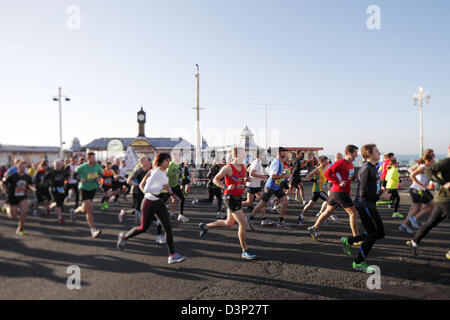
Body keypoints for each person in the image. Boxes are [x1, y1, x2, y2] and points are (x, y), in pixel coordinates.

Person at [117, 153, 186, 264]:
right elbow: (147, 188)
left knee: (168, 228)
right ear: (161, 161)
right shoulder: (156, 172)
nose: (169, 162)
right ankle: (124, 236)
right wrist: (161, 188)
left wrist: (168, 189)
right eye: (167, 160)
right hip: (149, 202)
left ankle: (172, 255)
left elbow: (158, 187)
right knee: (143, 228)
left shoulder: (163, 173)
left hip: (159, 203)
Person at [199, 147, 257, 260]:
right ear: (235, 155)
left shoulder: (243, 167)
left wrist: (246, 180)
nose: (244, 157)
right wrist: (226, 186)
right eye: (241, 155)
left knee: (229, 223)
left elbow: (240, 180)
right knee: (243, 224)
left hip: (238, 197)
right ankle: (245, 251)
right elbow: (215, 180)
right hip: (230, 198)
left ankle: (205, 226)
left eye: (244, 155)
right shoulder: (228, 168)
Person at [340, 144, 385, 274]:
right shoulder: (366, 169)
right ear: (369, 154)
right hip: (364, 205)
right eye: (376, 151)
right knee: (373, 233)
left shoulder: (373, 167)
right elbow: (363, 194)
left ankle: (349, 241)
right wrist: (380, 195)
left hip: (370, 204)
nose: (379, 152)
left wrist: (381, 190)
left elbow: (372, 187)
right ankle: (358, 262)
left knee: (379, 233)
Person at [308, 145, 360, 241]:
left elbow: (347, 179)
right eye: (355, 153)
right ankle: (356, 239)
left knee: (328, 212)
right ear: (349, 153)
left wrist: (349, 191)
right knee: (354, 214)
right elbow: (327, 173)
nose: (357, 155)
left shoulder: (351, 164)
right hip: (339, 192)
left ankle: (313, 228)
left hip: (338, 192)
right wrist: (338, 182)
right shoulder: (340, 163)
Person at [406, 147, 450, 256]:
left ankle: (414, 242)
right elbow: (429, 171)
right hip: (445, 199)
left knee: (431, 222)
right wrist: (442, 183)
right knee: (421, 213)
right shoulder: (447, 161)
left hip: (442, 199)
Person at [250, 147, 292, 227]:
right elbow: (272, 176)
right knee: (262, 203)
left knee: (285, 202)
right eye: (284, 152)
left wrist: (284, 173)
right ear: (279, 153)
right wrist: (285, 175)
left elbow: (275, 173)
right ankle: (251, 218)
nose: (285, 154)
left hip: (277, 186)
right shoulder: (276, 162)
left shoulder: (279, 162)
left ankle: (280, 220)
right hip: (270, 186)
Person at [399, 152, 435, 233]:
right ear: (427, 161)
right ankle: (414, 219)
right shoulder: (423, 167)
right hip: (416, 190)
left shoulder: (426, 167)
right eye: (432, 161)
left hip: (418, 189)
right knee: (432, 205)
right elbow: (412, 175)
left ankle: (405, 225)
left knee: (416, 209)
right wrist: (420, 184)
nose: (433, 162)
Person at [70, 152, 103, 238]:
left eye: (94, 158)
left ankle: (74, 211)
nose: (94, 160)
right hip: (84, 188)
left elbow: (101, 174)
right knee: (90, 209)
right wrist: (80, 179)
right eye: (92, 158)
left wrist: (99, 178)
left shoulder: (97, 166)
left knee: (84, 209)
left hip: (93, 188)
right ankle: (93, 229)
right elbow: (74, 175)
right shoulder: (82, 167)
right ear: (88, 159)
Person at [0, 160, 35, 235]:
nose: (22, 168)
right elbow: (2, 183)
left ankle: (20, 228)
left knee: (24, 212)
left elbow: (30, 185)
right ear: (17, 167)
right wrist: (5, 191)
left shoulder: (27, 177)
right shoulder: (12, 176)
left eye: (24, 166)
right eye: (21, 166)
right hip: (12, 197)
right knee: (13, 216)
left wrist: (33, 189)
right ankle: (6, 207)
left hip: (22, 196)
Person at [245, 151, 275, 228]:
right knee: (248, 202)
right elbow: (251, 173)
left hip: (256, 185)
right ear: (259, 155)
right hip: (252, 186)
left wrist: (259, 177)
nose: (264, 155)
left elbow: (248, 169)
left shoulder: (257, 162)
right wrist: (262, 177)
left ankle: (264, 219)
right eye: (263, 154)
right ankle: (233, 207)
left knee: (263, 202)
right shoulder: (257, 162)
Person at [297, 156, 329, 225]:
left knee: (310, 204)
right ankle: (323, 217)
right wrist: (315, 180)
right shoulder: (317, 169)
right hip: (317, 190)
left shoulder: (326, 168)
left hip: (319, 190)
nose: (327, 162)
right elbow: (307, 176)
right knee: (329, 201)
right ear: (321, 162)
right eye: (326, 161)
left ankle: (301, 215)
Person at [166, 154, 189, 222]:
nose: (179, 158)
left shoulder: (178, 164)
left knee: (181, 198)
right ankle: (156, 215)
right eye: (178, 157)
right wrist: (177, 171)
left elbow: (178, 174)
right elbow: (168, 174)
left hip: (175, 185)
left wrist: (181, 180)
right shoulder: (171, 164)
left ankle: (180, 215)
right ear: (174, 157)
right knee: (164, 201)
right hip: (169, 186)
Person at [46, 159, 69, 224]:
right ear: (54, 166)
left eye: (59, 165)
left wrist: (66, 182)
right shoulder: (51, 172)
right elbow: (44, 179)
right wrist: (48, 185)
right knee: (58, 203)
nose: (58, 166)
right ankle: (60, 217)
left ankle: (49, 207)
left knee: (59, 203)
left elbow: (66, 178)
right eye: (57, 165)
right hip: (53, 189)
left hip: (61, 189)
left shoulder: (63, 171)